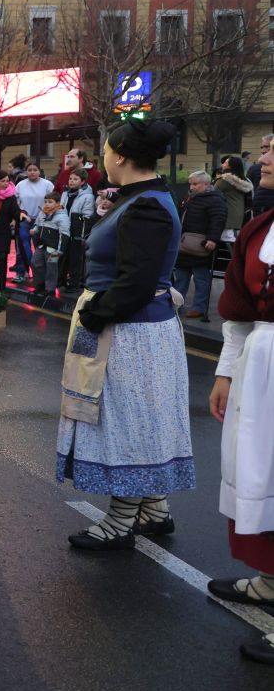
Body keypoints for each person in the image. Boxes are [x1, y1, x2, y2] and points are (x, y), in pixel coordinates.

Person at [56, 119, 192, 552]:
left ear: (120, 157)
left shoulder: (146, 205)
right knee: (137, 417)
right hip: (130, 326)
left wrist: (96, 314)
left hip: (131, 332)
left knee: (128, 421)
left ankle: (120, 521)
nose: (103, 159)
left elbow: (136, 281)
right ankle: (153, 509)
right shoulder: (142, 198)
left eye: (105, 152)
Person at [206, 143, 274, 664]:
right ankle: (271, 582)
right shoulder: (258, 229)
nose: (265, 156)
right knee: (259, 473)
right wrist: (225, 372)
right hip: (261, 367)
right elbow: (240, 312)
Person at [172, 171, 225, 320]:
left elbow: (218, 220)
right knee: (181, 277)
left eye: (195, 184)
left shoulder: (215, 200)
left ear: (206, 184)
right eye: (191, 184)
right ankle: (176, 304)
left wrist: (212, 239)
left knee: (201, 278)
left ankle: (199, 307)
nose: (191, 187)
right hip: (185, 244)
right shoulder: (190, 198)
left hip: (201, 245)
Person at [13, 163, 53, 281]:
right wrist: (17, 215)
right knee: (22, 247)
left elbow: (54, 200)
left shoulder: (47, 184)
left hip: (41, 220)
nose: (32, 172)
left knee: (39, 248)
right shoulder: (20, 185)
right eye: (29, 170)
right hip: (25, 219)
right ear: (26, 172)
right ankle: (21, 272)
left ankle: (39, 274)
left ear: (39, 171)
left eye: (35, 170)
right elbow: (15, 202)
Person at [61, 170, 96, 292]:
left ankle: (74, 283)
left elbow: (87, 217)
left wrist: (83, 235)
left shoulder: (88, 197)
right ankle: (61, 279)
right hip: (64, 229)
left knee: (75, 259)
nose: (71, 181)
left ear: (83, 181)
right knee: (63, 256)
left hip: (77, 231)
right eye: (70, 179)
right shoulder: (65, 194)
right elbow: (61, 209)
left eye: (75, 179)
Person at [30, 191, 69, 296]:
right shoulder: (42, 213)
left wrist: (60, 250)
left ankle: (50, 289)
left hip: (54, 248)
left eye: (50, 202)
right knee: (35, 263)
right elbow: (37, 224)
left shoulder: (62, 216)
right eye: (45, 201)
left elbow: (64, 234)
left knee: (52, 267)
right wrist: (34, 229)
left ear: (57, 203)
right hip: (41, 245)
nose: (47, 204)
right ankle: (40, 286)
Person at [215, 155, 253, 243]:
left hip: (227, 215)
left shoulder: (224, 180)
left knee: (225, 242)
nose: (222, 164)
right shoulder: (244, 180)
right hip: (238, 214)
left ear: (231, 166)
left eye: (225, 163)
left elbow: (213, 193)